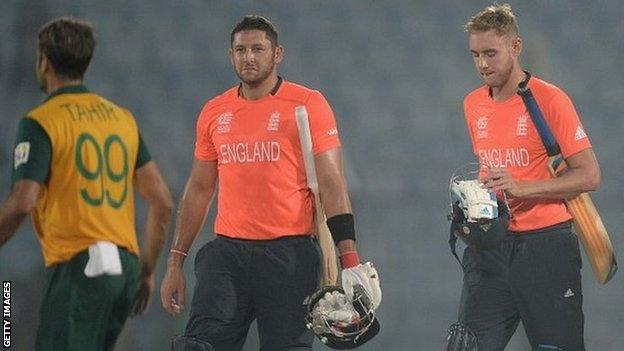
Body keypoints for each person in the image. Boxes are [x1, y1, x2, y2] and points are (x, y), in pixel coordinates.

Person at [160, 15, 380, 351]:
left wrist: (349, 261)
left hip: (288, 257)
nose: (249, 57)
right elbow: (200, 189)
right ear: (231, 55)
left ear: (277, 54)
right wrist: (176, 261)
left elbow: (333, 184)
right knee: (197, 346)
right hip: (227, 255)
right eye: (241, 49)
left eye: (258, 49)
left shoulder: (307, 104)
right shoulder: (214, 111)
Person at [0, 18, 174, 351]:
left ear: (44, 62)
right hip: (123, 268)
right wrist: (147, 271)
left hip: (79, 266)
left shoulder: (41, 122)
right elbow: (162, 200)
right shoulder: (121, 118)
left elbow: (23, 202)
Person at [451, 4, 601, 351]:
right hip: (489, 248)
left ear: (515, 47)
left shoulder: (550, 99)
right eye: (475, 55)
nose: (483, 64)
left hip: (545, 248)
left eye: (491, 53)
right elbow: (490, 167)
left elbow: (590, 175)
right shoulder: (472, 104)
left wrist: (523, 187)